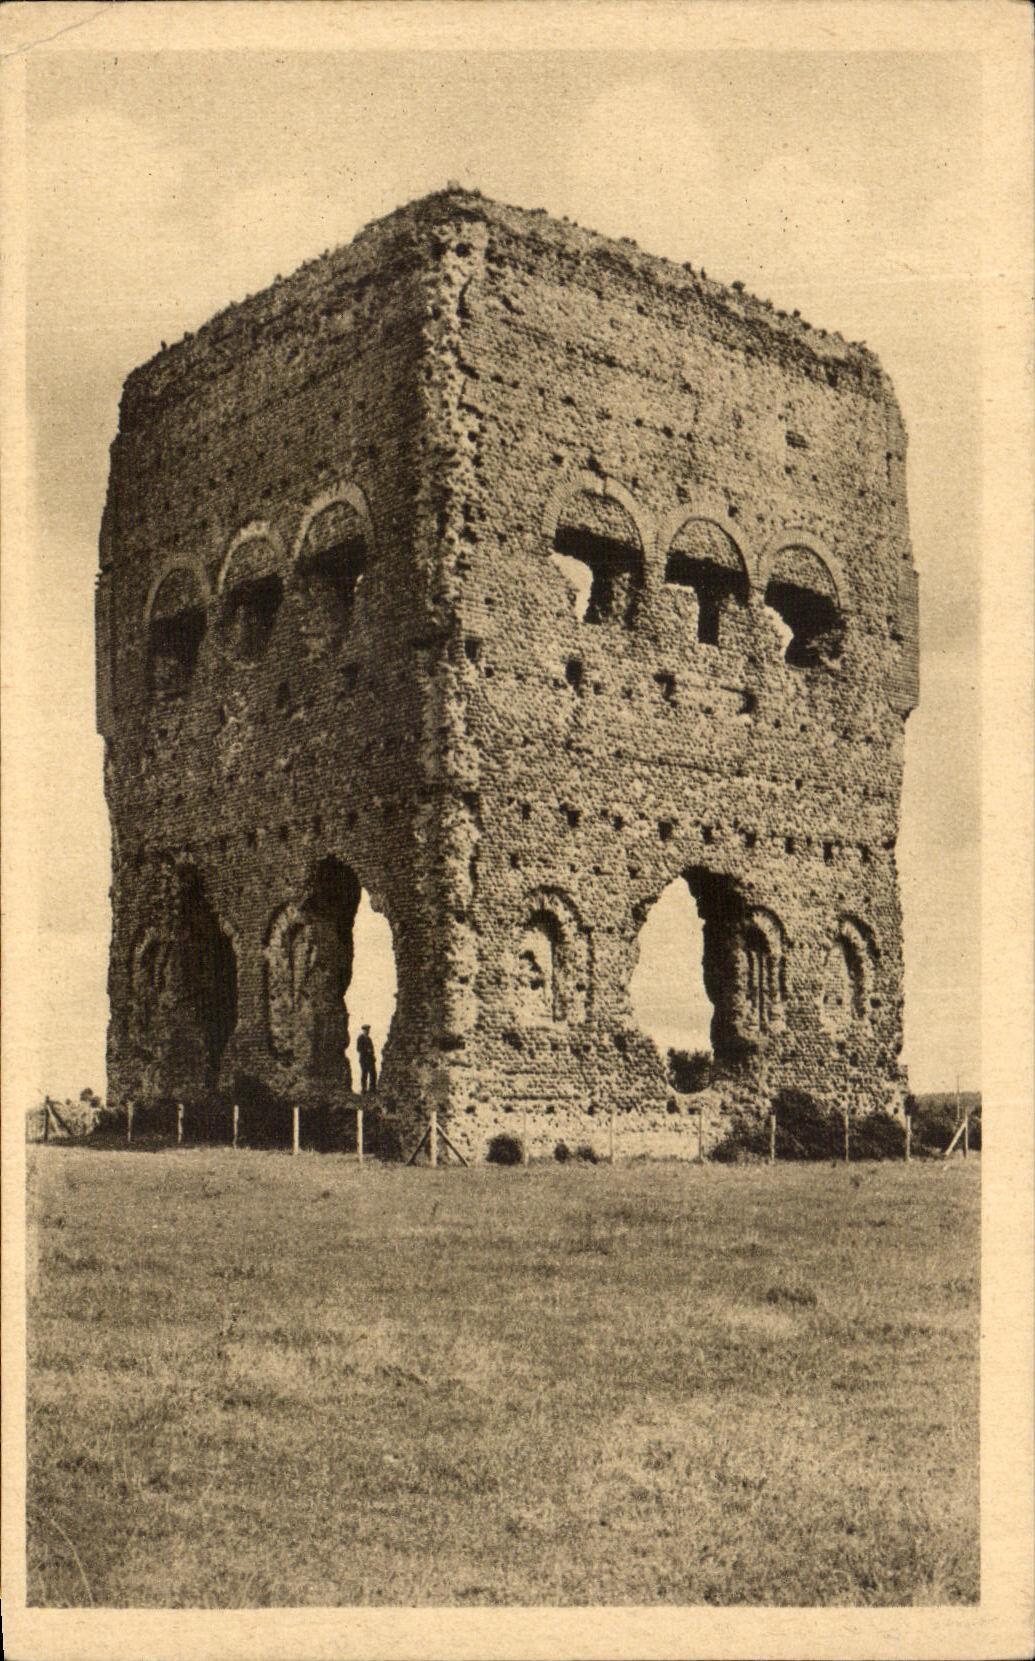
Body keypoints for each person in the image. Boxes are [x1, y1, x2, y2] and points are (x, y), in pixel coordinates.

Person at [357, 1024, 377, 1093]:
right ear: (363, 1030)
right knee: (364, 1074)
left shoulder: (369, 1039)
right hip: (363, 1059)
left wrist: (373, 1055)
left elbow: (372, 1049)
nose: (367, 1031)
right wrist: (366, 1050)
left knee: (373, 1073)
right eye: (366, 1030)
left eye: (368, 1030)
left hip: (370, 1059)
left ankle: (372, 1089)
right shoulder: (360, 1038)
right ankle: (364, 1089)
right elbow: (358, 1049)